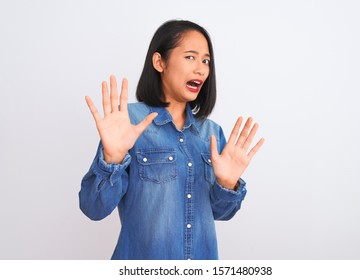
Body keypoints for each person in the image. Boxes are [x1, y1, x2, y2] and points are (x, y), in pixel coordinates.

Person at [79, 19, 265, 260]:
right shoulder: (129, 122)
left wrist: (228, 185)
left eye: (206, 61)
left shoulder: (211, 133)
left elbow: (221, 212)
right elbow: (93, 208)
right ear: (160, 62)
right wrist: (112, 158)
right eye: (190, 57)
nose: (201, 69)